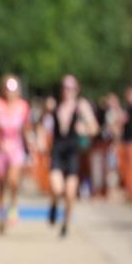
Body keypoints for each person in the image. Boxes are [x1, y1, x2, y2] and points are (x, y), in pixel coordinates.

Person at [46, 74, 99, 238]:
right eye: (64, 87)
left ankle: (65, 224)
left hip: (72, 153)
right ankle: (54, 205)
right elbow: (42, 126)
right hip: (57, 151)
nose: (67, 91)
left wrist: (83, 129)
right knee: (57, 188)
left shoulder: (81, 106)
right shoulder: (54, 105)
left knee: (70, 193)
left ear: (76, 90)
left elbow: (94, 128)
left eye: (71, 88)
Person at [0, 74, 32, 233]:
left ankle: (13, 204)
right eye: (7, 88)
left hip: (16, 147)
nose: (10, 92)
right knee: (1, 184)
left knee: (13, 180)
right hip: (0, 148)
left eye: (13, 89)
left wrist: (31, 147)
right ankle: (1, 215)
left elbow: (26, 129)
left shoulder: (23, 106)